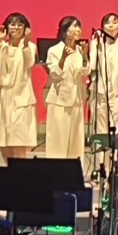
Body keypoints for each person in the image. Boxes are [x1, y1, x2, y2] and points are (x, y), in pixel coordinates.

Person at [88, 12, 118, 169]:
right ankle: (101, 167)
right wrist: (95, 45)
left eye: (114, 22)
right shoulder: (98, 43)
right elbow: (92, 66)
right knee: (101, 132)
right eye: (107, 22)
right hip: (100, 94)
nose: (111, 25)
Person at [0, 13, 39, 160]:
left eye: (20, 25)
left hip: (21, 97)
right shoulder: (2, 46)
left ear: (25, 28)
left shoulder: (30, 46)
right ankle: (8, 169)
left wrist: (26, 43)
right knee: (3, 139)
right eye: (12, 24)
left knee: (19, 138)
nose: (16, 28)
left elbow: (29, 62)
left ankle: (19, 170)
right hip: (3, 98)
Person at [44, 16, 89, 164]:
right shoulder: (54, 50)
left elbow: (85, 72)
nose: (77, 30)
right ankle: (56, 172)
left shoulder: (79, 50)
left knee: (75, 141)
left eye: (78, 26)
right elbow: (55, 74)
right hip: (59, 100)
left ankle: (74, 171)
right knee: (58, 141)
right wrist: (63, 58)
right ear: (65, 30)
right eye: (73, 26)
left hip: (76, 100)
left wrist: (84, 56)